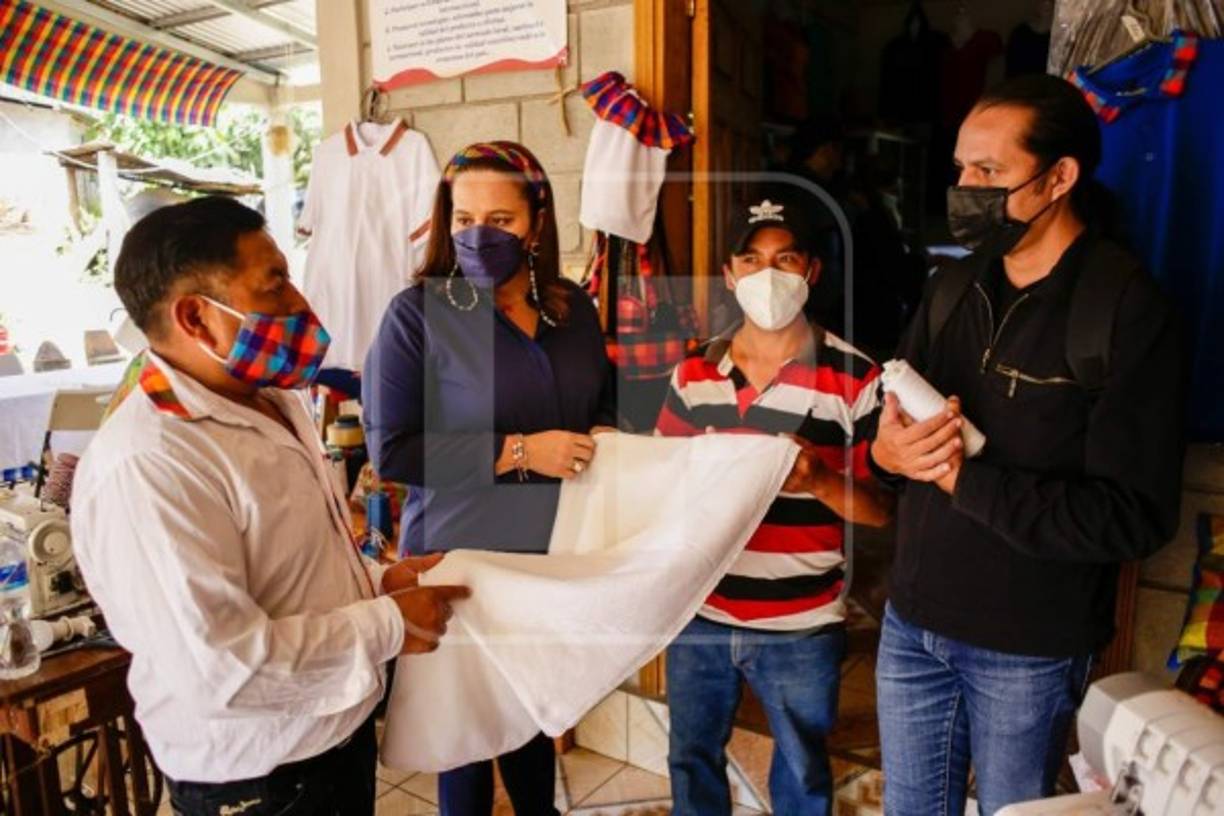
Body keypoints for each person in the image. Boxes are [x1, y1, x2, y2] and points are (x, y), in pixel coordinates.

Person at [70, 197, 470, 816]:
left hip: (330, 739)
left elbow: (290, 568)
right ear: (196, 318)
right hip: (261, 779)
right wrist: (391, 624)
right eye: (275, 284)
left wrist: (378, 582)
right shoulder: (152, 464)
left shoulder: (270, 402)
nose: (302, 305)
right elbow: (225, 668)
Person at [869, 75, 1184, 815]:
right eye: (960, 169)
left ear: (1060, 177)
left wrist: (961, 480)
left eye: (989, 172)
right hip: (911, 623)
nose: (965, 188)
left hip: (1026, 647)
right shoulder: (951, 288)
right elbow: (884, 431)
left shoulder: (1124, 309)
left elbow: (1131, 516)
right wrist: (888, 456)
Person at [362, 141, 615, 816]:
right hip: (460, 554)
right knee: (467, 736)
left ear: (536, 219)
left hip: (552, 551)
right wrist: (521, 451)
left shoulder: (573, 311)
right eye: (464, 217)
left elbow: (604, 403)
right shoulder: (418, 316)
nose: (480, 235)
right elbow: (395, 451)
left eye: (500, 220)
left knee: (531, 716)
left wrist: (609, 436)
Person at [655, 192, 893, 815]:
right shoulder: (694, 375)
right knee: (690, 757)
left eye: (785, 258)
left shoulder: (856, 378)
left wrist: (816, 479)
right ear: (730, 276)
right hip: (701, 613)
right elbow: (662, 484)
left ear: (811, 271)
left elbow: (881, 511)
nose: (768, 275)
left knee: (803, 768)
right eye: (752, 260)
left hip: (802, 622)